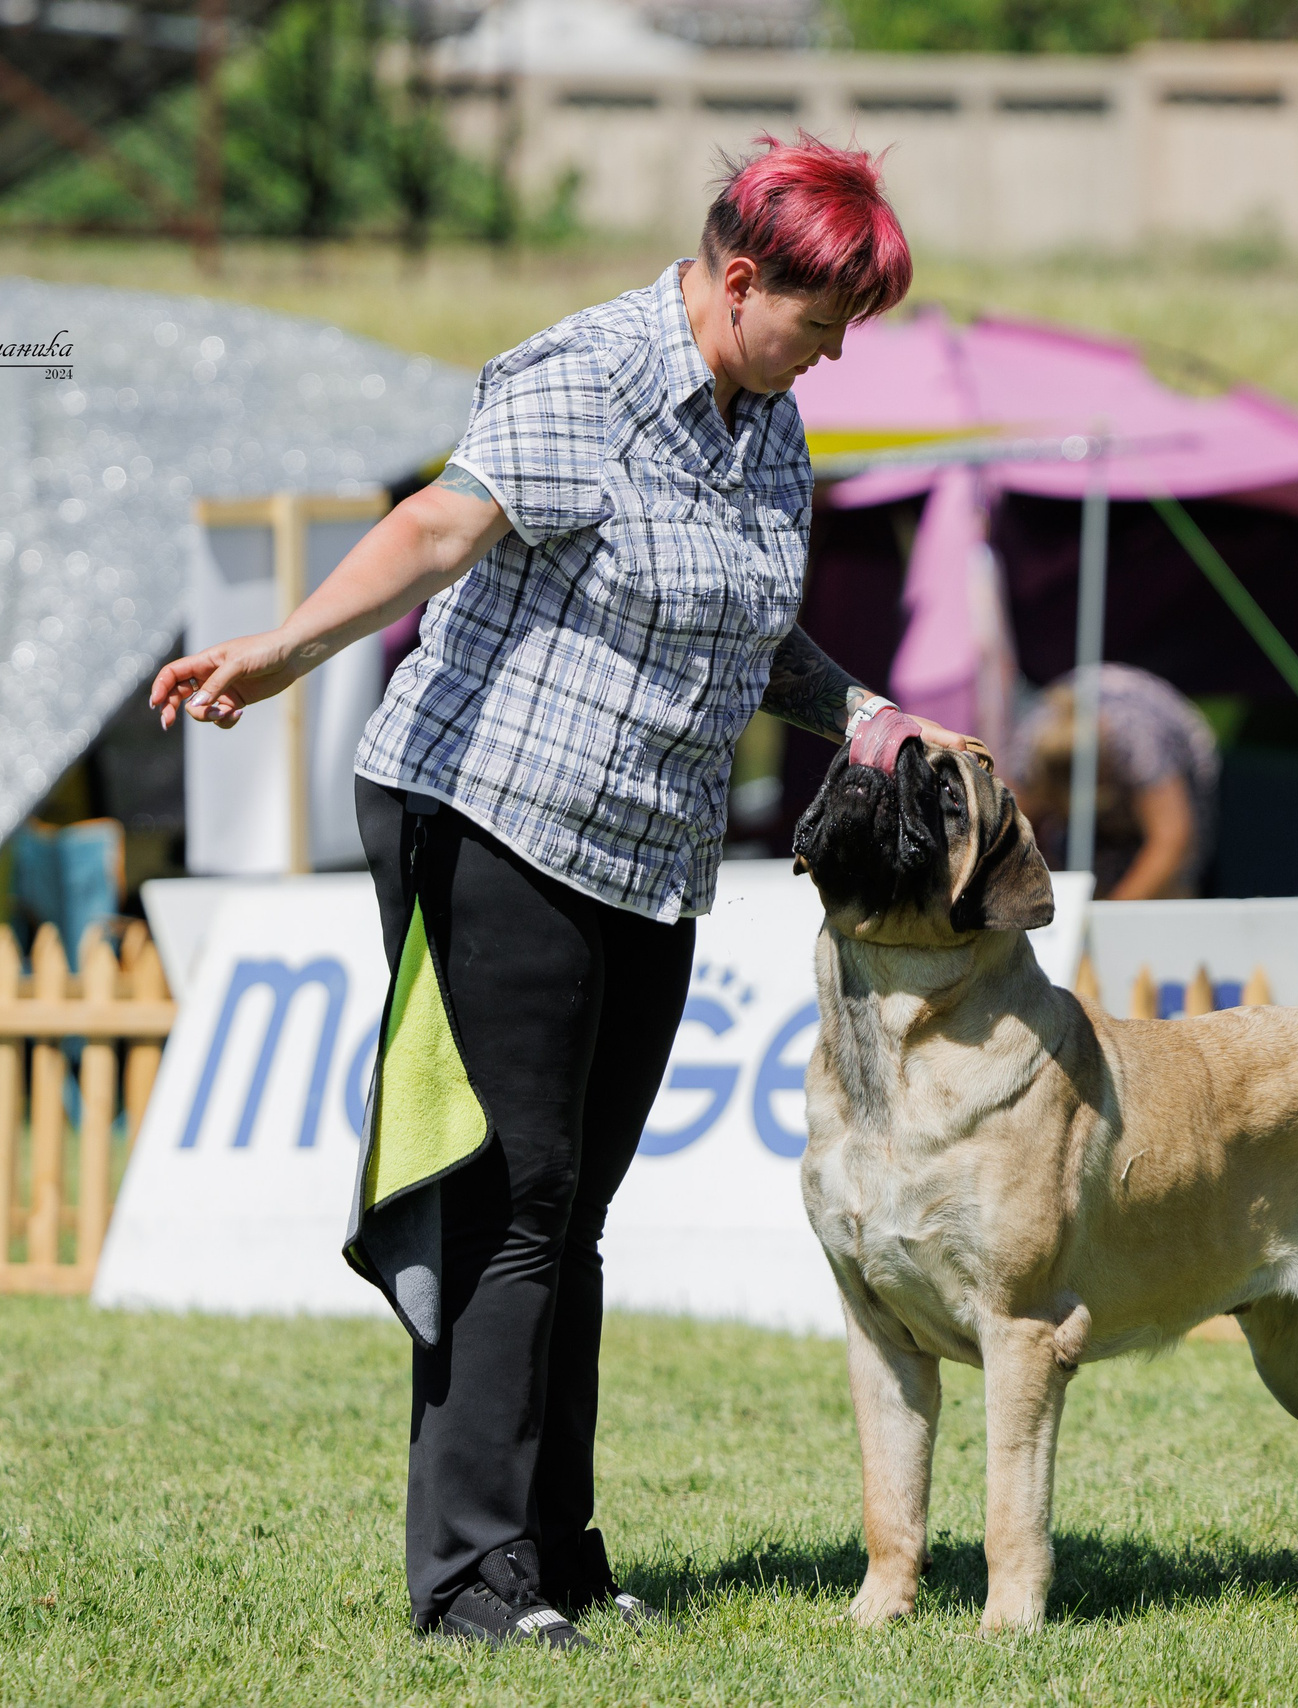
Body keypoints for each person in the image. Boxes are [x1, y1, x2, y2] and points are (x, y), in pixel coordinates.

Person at [145, 135, 972, 1655]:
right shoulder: (584, 375)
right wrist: (280, 654)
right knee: (506, 1208)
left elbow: (747, 636)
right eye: (826, 315)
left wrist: (863, 713)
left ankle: (556, 1555)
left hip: (646, 853)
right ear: (740, 279)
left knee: (574, 1214)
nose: (840, 348)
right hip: (492, 816)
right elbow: (438, 529)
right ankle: (473, 1586)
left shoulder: (766, 425)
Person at [1007, 663, 1218, 899]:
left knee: (1171, 884)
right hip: (1081, 771)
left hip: (1173, 769)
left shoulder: (1140, 742)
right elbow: (1011, 837)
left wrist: (1112, 913)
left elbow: (1172, 842)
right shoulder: (1030, 749)